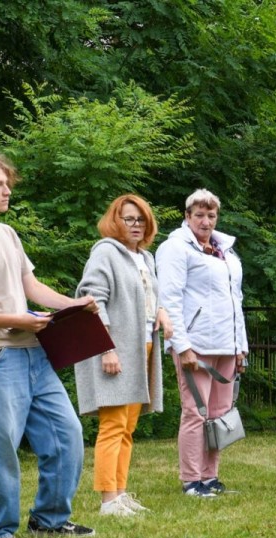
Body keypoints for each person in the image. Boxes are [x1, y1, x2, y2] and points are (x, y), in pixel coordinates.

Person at [0, 153, 97, 538]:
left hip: (35, 352)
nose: (7, 190)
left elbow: (32, 287)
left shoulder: (9, 234)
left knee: (67, 434)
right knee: (2, 450)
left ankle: (49, 520)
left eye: (6, 182)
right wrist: (17, 319)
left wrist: (74, 304)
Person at [75, 194, 173, 516]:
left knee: (128, 426)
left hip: (142, 347)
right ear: (115, 221)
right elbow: (92, 301)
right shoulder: (105, 252)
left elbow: (149, 297)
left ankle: (119, 493)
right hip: (115, 350)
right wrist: (106, 348)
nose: (135, 225)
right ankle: (108, 501)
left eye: (141, 219)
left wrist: (161, 311)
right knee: (113, 424)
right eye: (129, 219)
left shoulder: (146, 257)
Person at [156, 189, 248, 498]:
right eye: (199, 215)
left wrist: (240, 346)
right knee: (196, 412)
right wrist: (182, 346)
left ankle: (210, 477)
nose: (206, 221)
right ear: (187, 216)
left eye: (211, 215)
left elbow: (236, 300)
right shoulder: (175, 248)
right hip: (196, 345)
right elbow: (169, 299)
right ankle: (191, 480)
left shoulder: (226, 251)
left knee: (219, 414)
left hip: (226, 345)